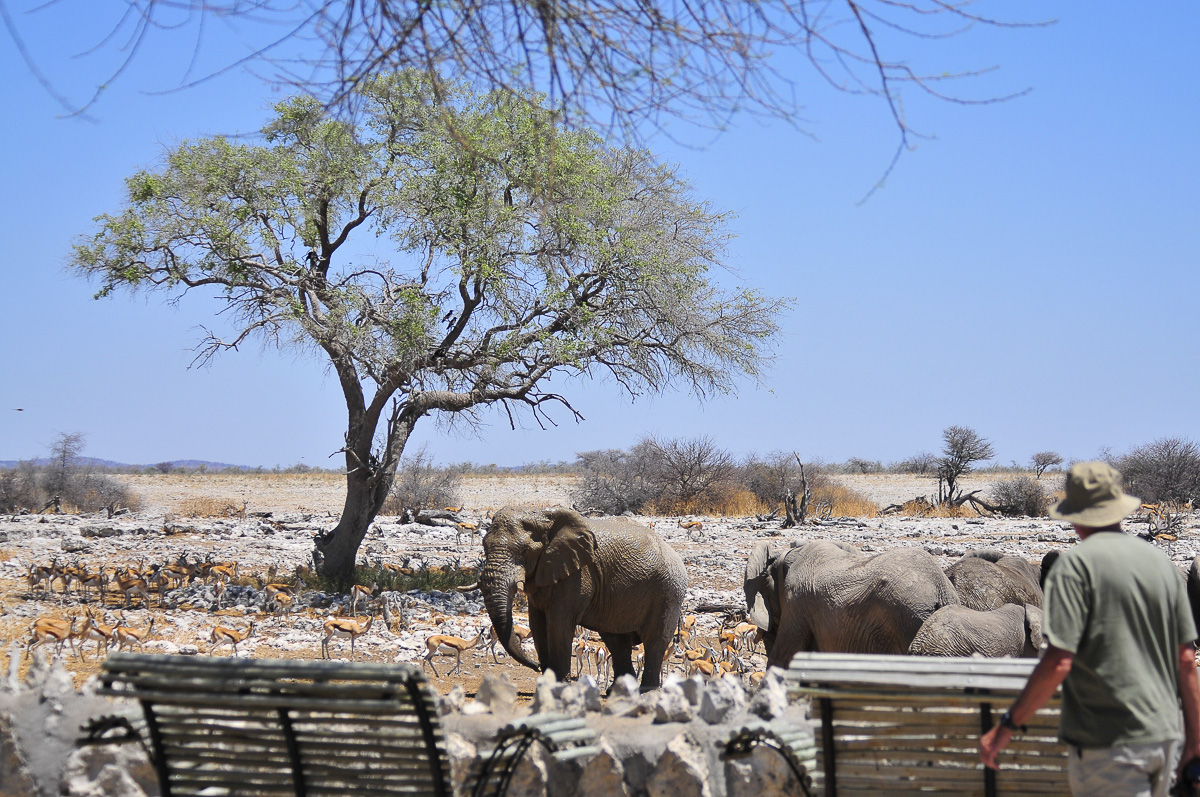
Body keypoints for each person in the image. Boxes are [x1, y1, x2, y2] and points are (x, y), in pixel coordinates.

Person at [979, 461, 1200, 796]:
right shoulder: (1162, 565)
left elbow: (1058, 662)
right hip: (1165, 737)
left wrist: (1006, 727)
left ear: (1074, 516)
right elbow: (1186, 659)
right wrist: (1195, 743)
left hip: (1109, 743)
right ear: (1119, 509)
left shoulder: (1073, 568)